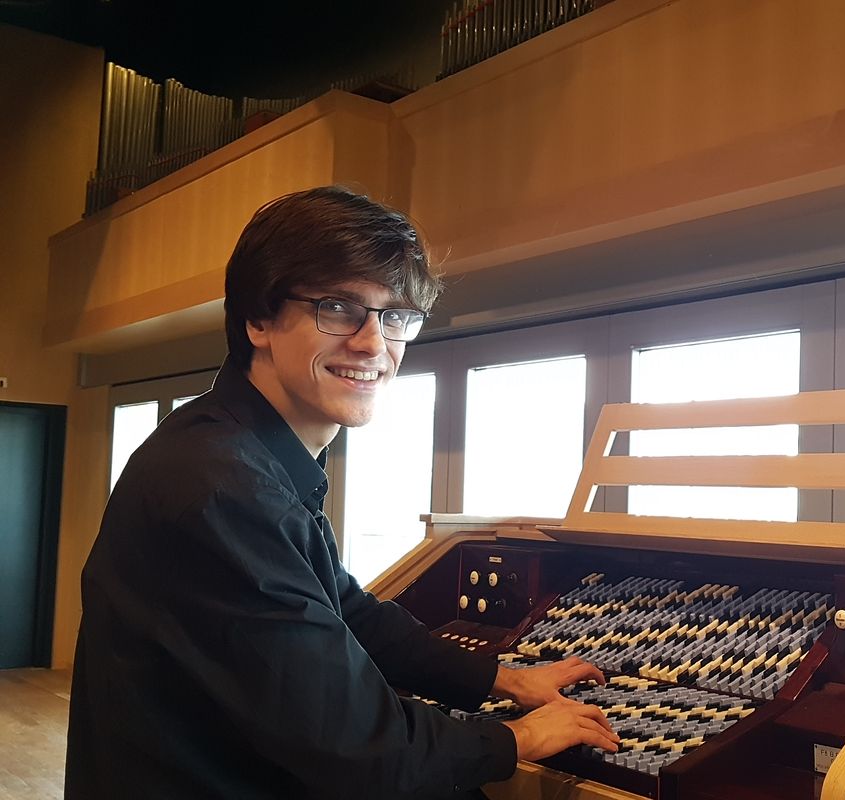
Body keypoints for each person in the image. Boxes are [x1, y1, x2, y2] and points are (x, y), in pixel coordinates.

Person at [65, 186, 620, 799]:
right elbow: (360, 746)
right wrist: (519, 738)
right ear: (258, 319)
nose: (373, 344)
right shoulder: (220, 484)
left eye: (394, 316)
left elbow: (349, 613)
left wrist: (503, 679)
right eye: (338, 308)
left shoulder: (238, 449)